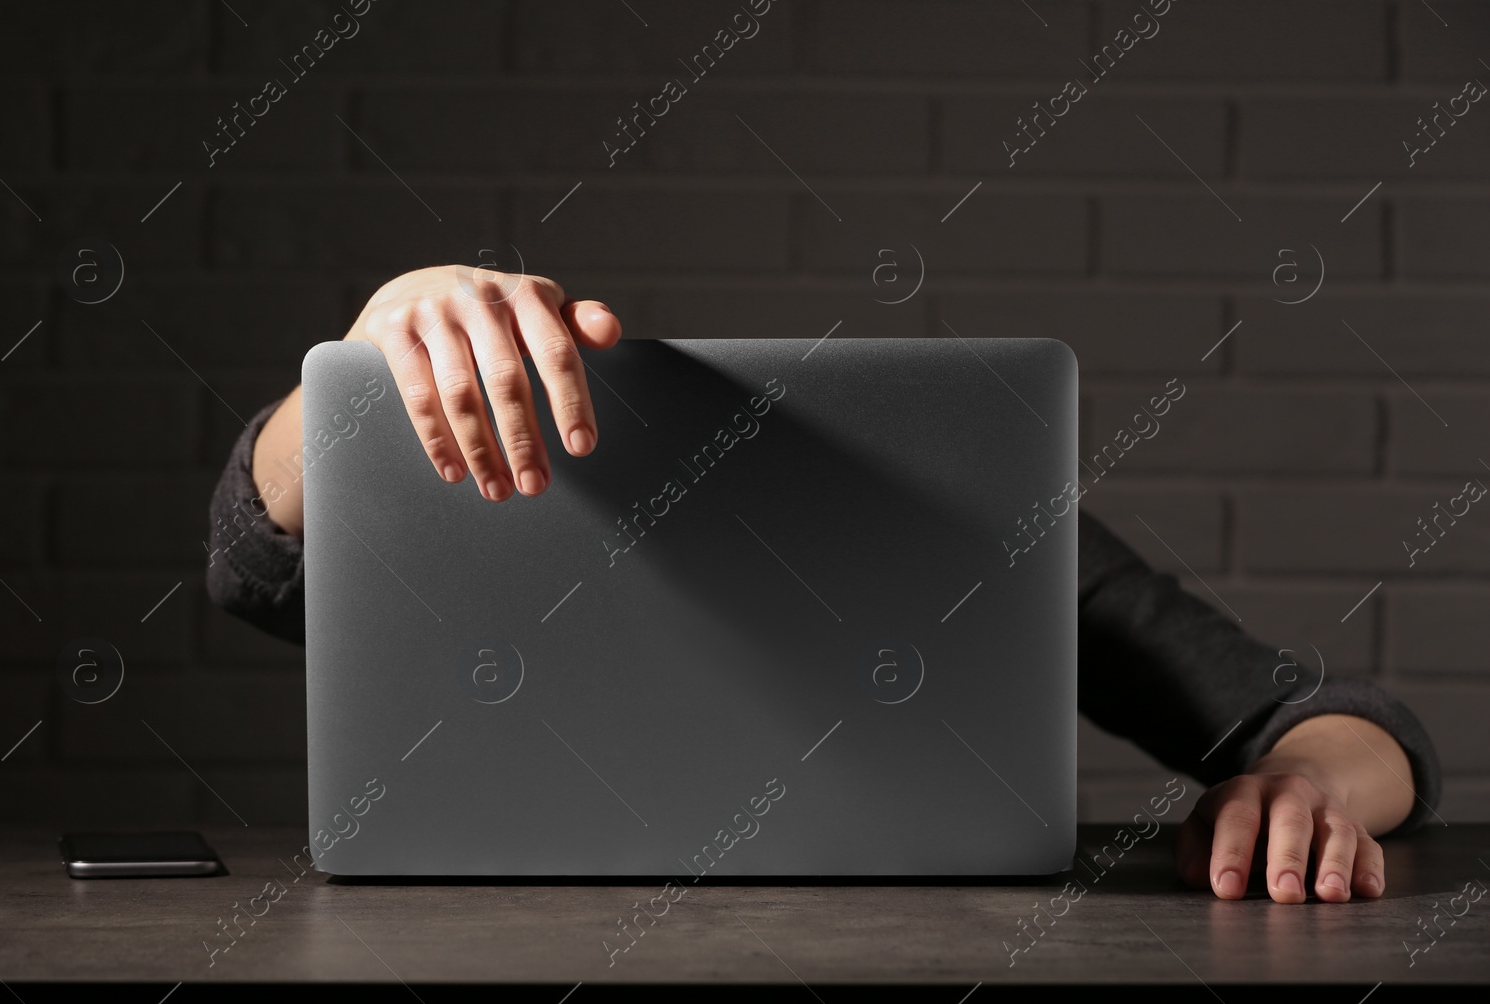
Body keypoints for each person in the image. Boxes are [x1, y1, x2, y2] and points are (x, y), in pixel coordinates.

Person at [207, 264, 1441, 905]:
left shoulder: (984, 534)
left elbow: (1342, 718)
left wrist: (1306, 782)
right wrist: (352, 381)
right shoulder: (489, 463)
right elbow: (253, 562)